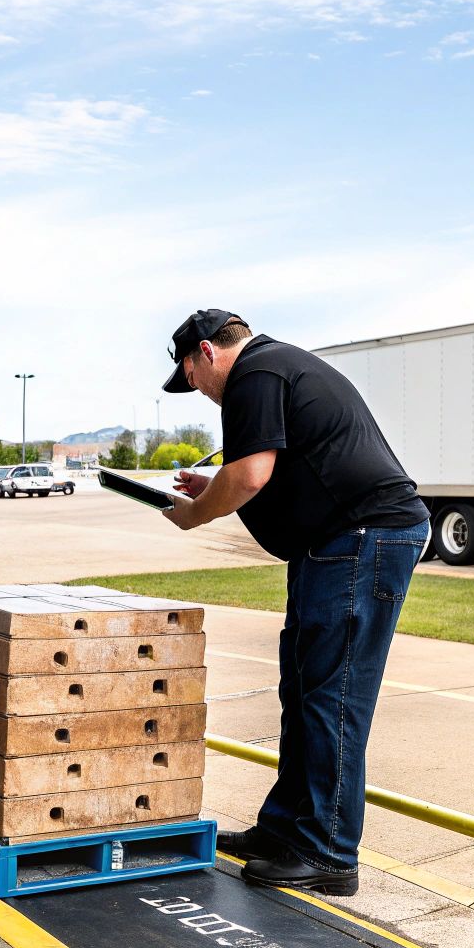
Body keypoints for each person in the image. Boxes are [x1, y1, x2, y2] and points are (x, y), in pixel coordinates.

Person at [157, 309, 429, 896]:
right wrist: (213, 486)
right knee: (303, 691)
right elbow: (275, 471)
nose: (197, 392)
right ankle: (285, 831)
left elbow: (250, 476)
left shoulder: (255, 375)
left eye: (190, 377)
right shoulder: (276, 368)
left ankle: (329, 852)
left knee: (332, 696)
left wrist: (194, 514)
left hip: (361, 539)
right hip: (336, 544)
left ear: (206, 352)